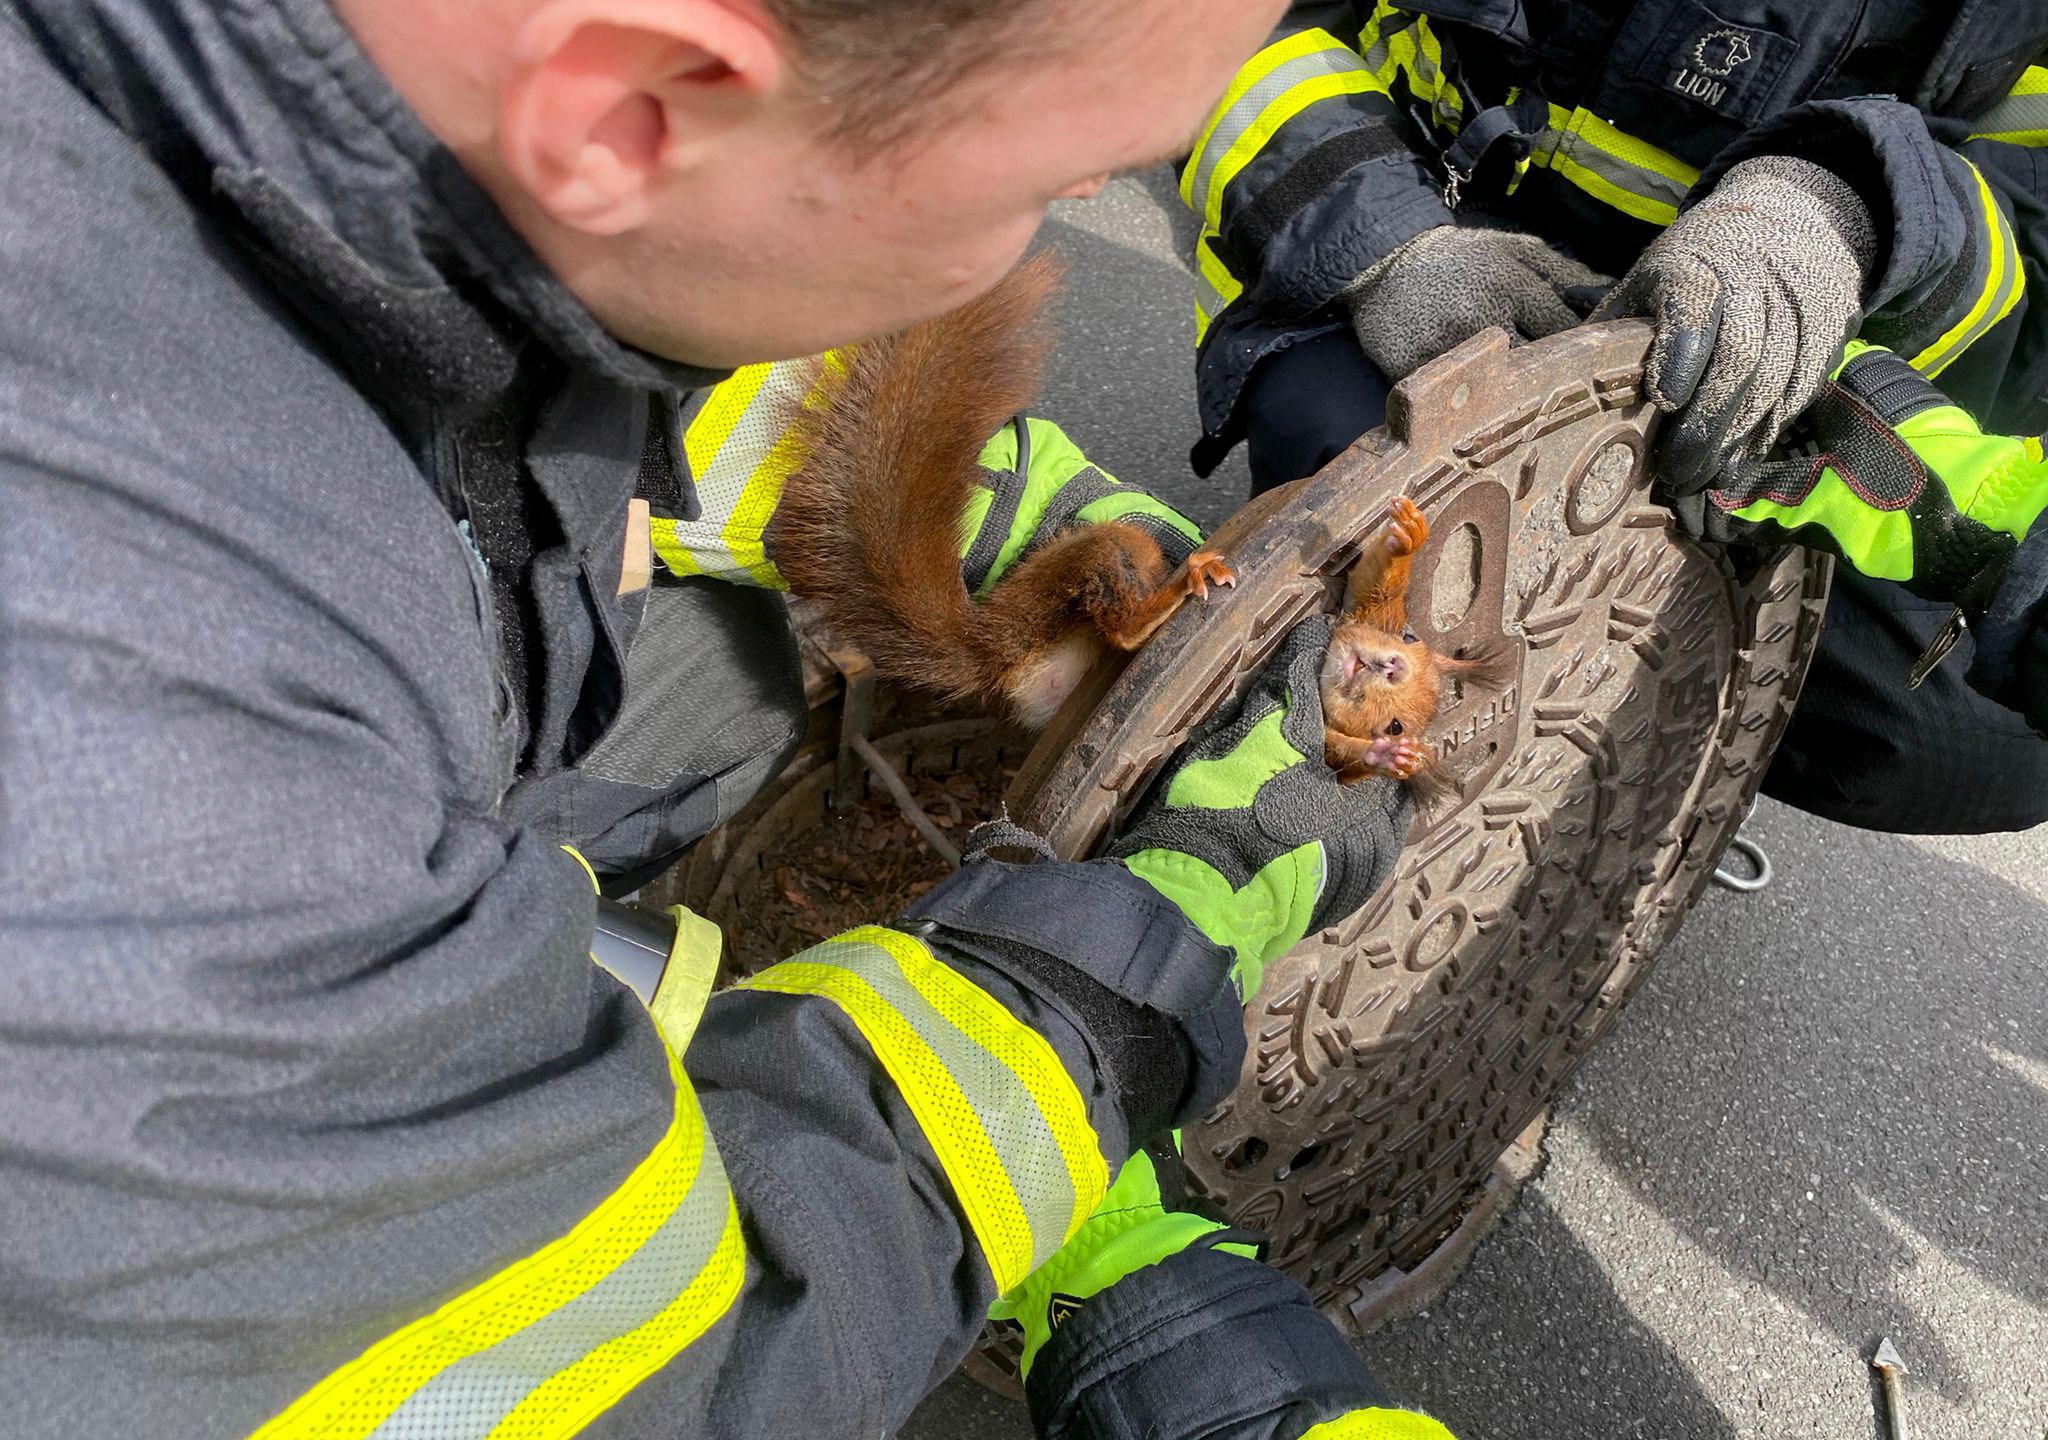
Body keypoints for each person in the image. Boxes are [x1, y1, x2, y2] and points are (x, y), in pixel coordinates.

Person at [0, 2, 1459, 1438]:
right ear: (640, 98)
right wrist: (1119, 977)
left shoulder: (386, 111)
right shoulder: (138, 775)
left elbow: (660, 344)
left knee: (732, 686)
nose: (1083, 199)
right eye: (1045, 177)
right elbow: (636, 1370)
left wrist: (1015, 530)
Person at [1182, 1, 2048, 833]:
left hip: (1758, 325)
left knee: (1961, 740)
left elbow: (2035, 234)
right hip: (1435, 228)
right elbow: (1212, 24)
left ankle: (1597, 765)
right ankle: (1276, 801)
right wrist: (1379, 247)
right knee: (1392, 542)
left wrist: (1850, 211)